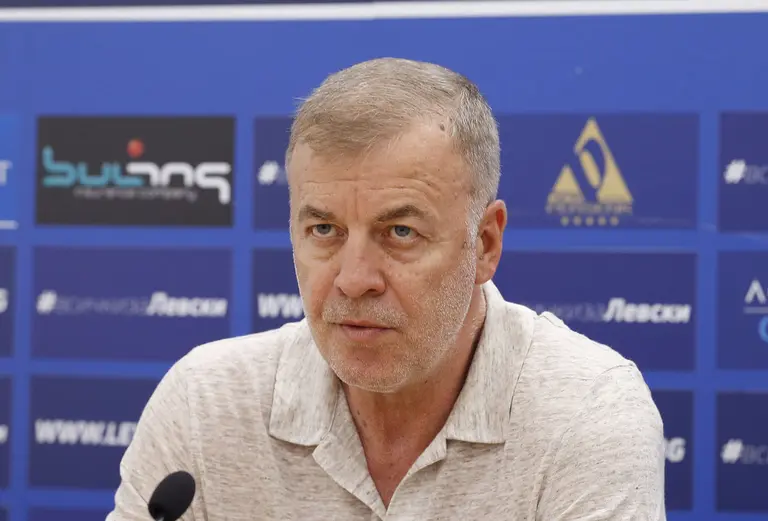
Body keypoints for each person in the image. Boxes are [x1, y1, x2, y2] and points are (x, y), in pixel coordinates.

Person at [106, 57, 666, 520]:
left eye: (400, 232)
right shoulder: (206, 403)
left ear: (485, 243)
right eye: (324, 230)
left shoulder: (584, 411)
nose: (354, 280)